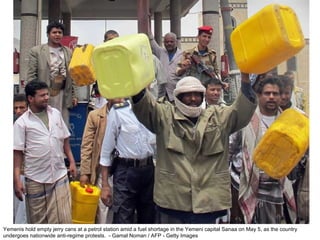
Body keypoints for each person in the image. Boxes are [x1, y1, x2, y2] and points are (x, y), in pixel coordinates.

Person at [130, 73, 257, 224]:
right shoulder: (164, 116)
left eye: (197, 95)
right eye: (187, 95)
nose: (192, 99)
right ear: (178, 97)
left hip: (208, 202)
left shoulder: (218, 117)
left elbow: (241, 111)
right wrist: (136, 84)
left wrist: (245, 80)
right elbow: (145, 106)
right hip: (173, 201)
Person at [229, 76, 297, 224]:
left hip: (275, 191)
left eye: (276, 93)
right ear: (259, 95)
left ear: (281, 97)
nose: (271, 97)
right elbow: (230, 151)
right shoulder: (245, 120)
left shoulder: (288, 123)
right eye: (267, 93)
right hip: (244, 188)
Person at [13, 80, 77, 224]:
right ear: (30, 99)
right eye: (42, 95)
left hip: (60, 175)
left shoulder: (55, 114)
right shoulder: (22, 123)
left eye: (47, 94)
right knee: (39, 223)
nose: (46, 97)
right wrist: (17, 180)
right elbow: (17, 154)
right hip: (36, 179)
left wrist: (72, 161)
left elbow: (65, 139)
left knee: (65, 220)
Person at [99, 99, 156, 224]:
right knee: (123, 219)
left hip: (149, 171)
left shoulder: (154, 110)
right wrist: (105, 186)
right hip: (126, 172)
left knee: (149, 219)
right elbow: (106, 152)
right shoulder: (119, 111)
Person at [79, 98, 124, 224]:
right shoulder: (95, 116)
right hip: (102, 171)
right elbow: (87, 145)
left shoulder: (131, 114)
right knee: (102, 213)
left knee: (122, 212)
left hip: (124, 171)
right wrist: (85, 172)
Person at [26, 21, 78, 126]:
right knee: (45, 123)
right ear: (48, 34)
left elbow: (72, 75)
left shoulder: (68, 51)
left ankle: (62, 142)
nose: (57, 35)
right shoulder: (37, 51)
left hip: (63, 93)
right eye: (54, 32)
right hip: (44, 93)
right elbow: (31, 75)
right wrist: (33, 95)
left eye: (60, 32)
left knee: (62, 124)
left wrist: (74, 95)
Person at [148, 30, 183, 102]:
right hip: (162, 93)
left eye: (171, 41)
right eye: (166, 42)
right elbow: (151, 40)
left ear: (176, 42)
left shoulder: (182, 55)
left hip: (176, 94)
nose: (169, 43)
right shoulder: (160, 52)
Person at [13, 93, 28, 224]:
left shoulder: (31, 125)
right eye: (16, 108)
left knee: (22, 214)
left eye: (22, 107)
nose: (18, 111)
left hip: (24, 173)